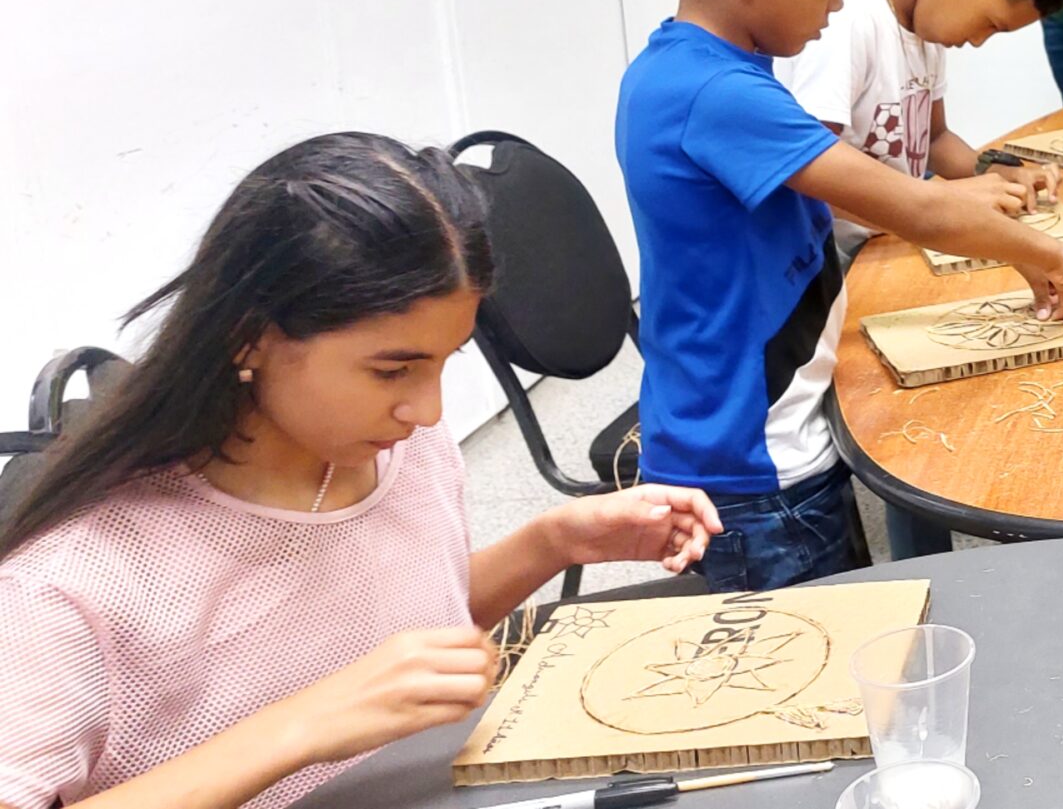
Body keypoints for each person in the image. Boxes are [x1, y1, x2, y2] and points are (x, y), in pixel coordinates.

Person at [0, 133, 722, 809]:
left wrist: (553, 543)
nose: (429, 409)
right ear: (248, 335)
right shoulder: (68, 585)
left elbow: (402, 629)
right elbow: (336, 682)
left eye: (448, 360)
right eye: (393, 369)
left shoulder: (396, 450)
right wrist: (303, 724)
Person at [618, 0, 1063, 593]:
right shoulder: (712, 92)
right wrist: (1053, 256)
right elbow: (918, 207)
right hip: (752, 463)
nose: (836, 4)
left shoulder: (712, 71)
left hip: (777, 437)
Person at [776, 0, 1063, 251]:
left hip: (899, 236)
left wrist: (995, 173)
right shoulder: (847, 19)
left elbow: (933, 138)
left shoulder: (924, 24)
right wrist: (941, 202)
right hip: (840, 258)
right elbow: (810, 172)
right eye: (991, 24)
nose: (979, 41)